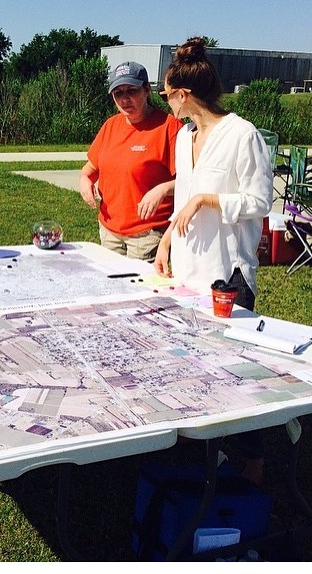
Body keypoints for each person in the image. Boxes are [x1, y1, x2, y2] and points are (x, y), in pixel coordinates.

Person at [153, 37, 273, 484]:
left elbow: (260, 201)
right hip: (187, 272)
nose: (165, 103)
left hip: (228, 275)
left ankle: (254, 473)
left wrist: (208, 198)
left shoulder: (242, 134)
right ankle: (202, 463)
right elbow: (184, 197)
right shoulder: (185, 138)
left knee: (237, 380)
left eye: (166, 95)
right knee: (190, 370)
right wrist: (166, 242)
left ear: (184, 95)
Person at [79, 61, 183, 261]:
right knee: (111, 288)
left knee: (141, 291)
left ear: (146, 90)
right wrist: (85, 180)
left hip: (148, 235)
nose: (125, 99)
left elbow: (190, 183)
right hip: (109, 230)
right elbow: (90, 168)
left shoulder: (169, 128)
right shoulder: (111, 125)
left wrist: (162, 190)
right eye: (118, 93)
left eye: (131, 91)